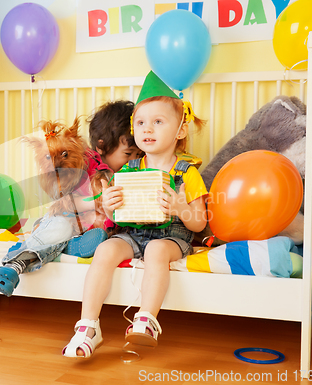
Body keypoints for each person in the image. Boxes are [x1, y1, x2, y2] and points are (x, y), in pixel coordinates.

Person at [62, 71, 208, 358]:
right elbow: (117, 218)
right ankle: (88, 326)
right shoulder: (129, 169)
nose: (147, 129)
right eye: (140, 123)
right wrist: (110, 203)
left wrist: (179, 206)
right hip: (133, 233)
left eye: (157, 122)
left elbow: (199, 222)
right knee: (105, 249)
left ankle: (146, 319)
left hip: (171, 237)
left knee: (155, 250)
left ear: (180, 130)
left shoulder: (187, 173)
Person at [0, 100, 142, 297]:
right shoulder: (86, 165)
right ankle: (15, 264)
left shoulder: (131, 172)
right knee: (59, 227)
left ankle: (71, 246)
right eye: (128, 154)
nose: (134, 160)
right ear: (101, 147)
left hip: (88, 226)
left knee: (94, 235)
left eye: (138, 154)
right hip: (67, 217)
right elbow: (69, 203)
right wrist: (93, 203)